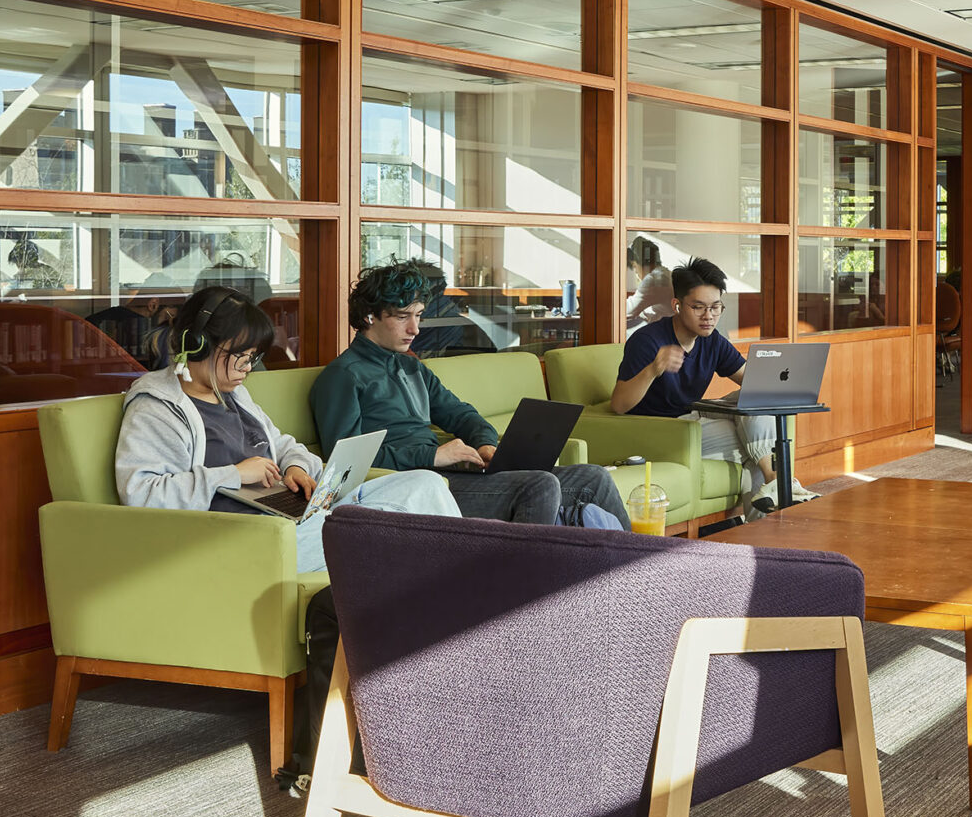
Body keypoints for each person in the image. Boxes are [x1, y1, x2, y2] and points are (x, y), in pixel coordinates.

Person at [113, 285, 461, 575]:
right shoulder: (157, 407)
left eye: (253, 357)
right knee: (379, 531)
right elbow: (142, 493)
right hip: (245, 541)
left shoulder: (235, 395)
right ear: (199, 344)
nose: (248, 368)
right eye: (241, 356)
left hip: (294, 517)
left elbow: (284, 445)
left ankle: (462, 585)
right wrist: (233, 474)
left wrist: (296, 466)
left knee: (424, 483)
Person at [310, 258, 628, 526]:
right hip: (414, 486)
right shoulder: (342, 377)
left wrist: (486, 445)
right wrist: (433, 455)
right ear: (369, 317)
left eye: (418, 315)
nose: (415, 329)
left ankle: (648, 579)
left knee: (593, 477)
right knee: (540, 485)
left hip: (450, 473)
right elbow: (345, 467)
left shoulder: (411, 368)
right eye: (402, 316)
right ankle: (527, 597)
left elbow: (462, 415)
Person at [611, 257, 816, 519]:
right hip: (661, 431)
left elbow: (752, 382)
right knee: (750, 442)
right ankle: (773, 502)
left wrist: (786, 382)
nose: (709, 316)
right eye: (698, 307)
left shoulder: (712, 340)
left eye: (716, 307)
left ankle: (773, 484)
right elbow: (618, 405)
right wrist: (653, 369)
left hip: (693, 420)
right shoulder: (647, 341)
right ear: (677, 305)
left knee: (754, 396)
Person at [623, 235, 673, 332]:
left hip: (664, 333)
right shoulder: (666, 273)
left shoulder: (653, 280)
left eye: (634, 266)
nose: (636, 272)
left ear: (638, 262)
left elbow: (628, 311)